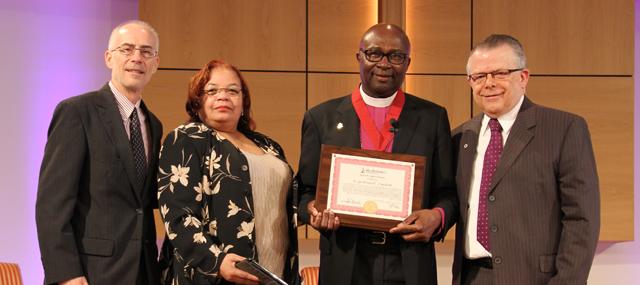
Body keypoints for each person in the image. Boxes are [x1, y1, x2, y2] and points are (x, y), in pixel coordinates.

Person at [297, 23, 458, 285]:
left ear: (407, 63)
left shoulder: (432, 117)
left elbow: (447, 192)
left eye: (396, 56)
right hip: (346, 259)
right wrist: (313, 211)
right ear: (359, 57)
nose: (384, 63)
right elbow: (304, 191)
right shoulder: (320, 118)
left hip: (408, 261)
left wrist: (437, 217)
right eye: (374, 54)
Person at [451, 34, 600, 284]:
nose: (488, 83)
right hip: (471, 277)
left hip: (536, 278)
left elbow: (581, 219)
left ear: (523, 77)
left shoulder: (564, 128)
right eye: (479, 76)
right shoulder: (459, 137)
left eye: (500, 73)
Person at [35, 20, 162, 285]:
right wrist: (66, 273)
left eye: (146, 51)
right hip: (91, 273)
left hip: (144, 271)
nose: (136, 58)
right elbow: (52, 204)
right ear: (108, 57)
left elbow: (143, 203)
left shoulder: (154, 124)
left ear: (155, 63)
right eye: (127, 49)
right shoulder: (77, 112)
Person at [157, 59, 300, 285]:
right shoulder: (186, 138)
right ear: (197, 102)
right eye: (212, 91)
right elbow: (177, 216)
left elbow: (287, 206)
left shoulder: (269, 146)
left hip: (276, 275)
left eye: (232, 91)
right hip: (214, 276)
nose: (223, 96)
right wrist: (216, 261)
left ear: (244, 102)